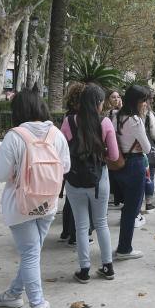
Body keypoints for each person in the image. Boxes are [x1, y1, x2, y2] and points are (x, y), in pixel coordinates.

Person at [0, 89, 70, 308]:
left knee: (30, 254)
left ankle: (36, 305)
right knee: (31, 254)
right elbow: (65, 167)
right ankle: (14, 294)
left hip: (20, 205)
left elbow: (0, 174)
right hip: (47, 202)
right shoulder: (56, 133)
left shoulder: (14, 137)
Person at [60, 84, 119, 283]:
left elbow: (61, 151)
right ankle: (107, 266)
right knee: (101, 222)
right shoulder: (105, 123)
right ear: (98, 103)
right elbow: (114, 155)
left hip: (74, 180)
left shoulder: (68, 122)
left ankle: (84, 270)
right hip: (99, 180)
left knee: (81, 226)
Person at [113, 85, 152, 260]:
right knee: (132, 208)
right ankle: (124, 248)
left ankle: (123, 246)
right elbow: (147, 148)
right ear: (137, 101)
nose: (145, 104)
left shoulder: (115, 116)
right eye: (144, 100)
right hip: (134, 163)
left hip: (117, 162)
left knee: (126, 207)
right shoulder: (135, 121)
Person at [59, 82, 90, 245]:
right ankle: (75, 233)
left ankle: (66, 231)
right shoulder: (82, 118)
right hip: (81, 161)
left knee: (70, 199)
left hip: (69, 160)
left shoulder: (67, 116)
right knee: (78, 202)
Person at [104, 90, 123, 210]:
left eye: (118, 97)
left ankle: (117, 196)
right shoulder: (105, 113)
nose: (116, 99)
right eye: (113, 97)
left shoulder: (122, 113)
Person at [142, 92, 155, 216]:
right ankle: (148, 202)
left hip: (131, 152)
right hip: (148, 150)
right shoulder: (151, 115)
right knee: (150, 177)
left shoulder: (126, 114)